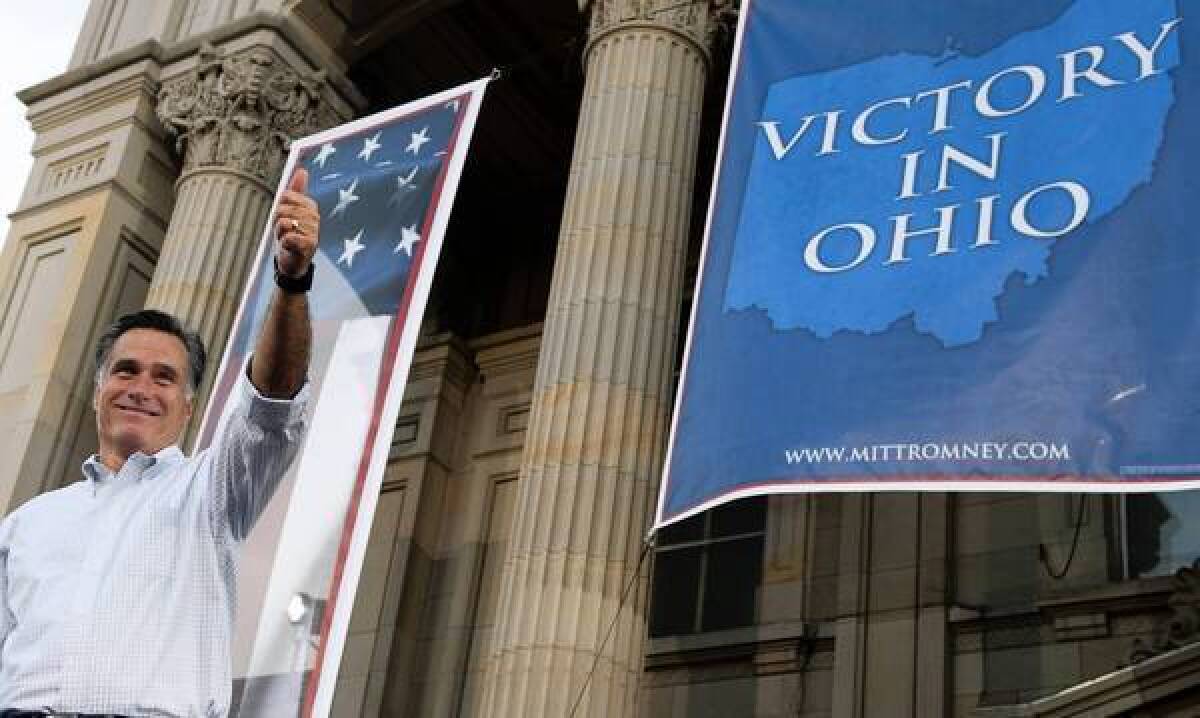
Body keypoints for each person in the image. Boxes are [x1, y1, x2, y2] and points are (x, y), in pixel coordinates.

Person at [0, 168, 322, 718]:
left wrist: (291, 281)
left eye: (164, 377)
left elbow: (271, 405)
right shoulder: (27, 523)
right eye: (126, 371)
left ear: (188, 406)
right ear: (98, 391)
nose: (141, 389)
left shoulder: (212, 492)